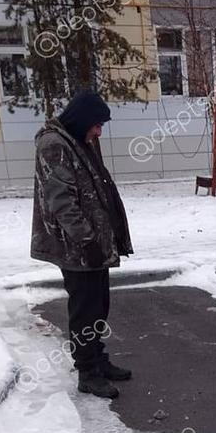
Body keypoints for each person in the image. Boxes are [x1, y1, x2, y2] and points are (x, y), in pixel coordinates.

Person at [31, 90, 133, 399]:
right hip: (76, 247)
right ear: (81, 119)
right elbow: (61, 202)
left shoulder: (79, 140)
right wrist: (86, 239)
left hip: (95, 243)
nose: (98, 131)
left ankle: (98, 359)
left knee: (99, 305)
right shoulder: (53, 145)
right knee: (84, 309)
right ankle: (87, 372)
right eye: (96, 125)